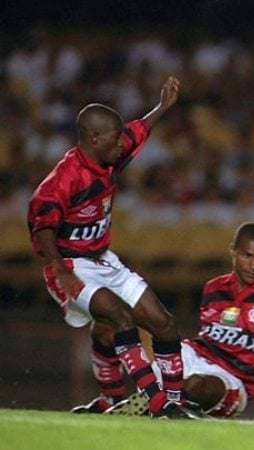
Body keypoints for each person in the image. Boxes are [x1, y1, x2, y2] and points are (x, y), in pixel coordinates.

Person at [27, 76, 200, 419]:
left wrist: (162, 107)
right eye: (115, 136)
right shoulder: (65, 178)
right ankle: (157, 404)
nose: (123, 142)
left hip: (104, 260)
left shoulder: (111, 154)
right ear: (94, 138)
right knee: (120, 319)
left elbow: (139, 131)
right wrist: (60, 270)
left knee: (163, 323)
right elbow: (41, 223)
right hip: (71, 266)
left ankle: (170, 402)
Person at [107, 222, 254, 417]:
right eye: (247, 256)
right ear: (233, 251)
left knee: (196, 385)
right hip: (195, 354)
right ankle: (156, 403)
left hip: (234, 378)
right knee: (157, 342)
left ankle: (153, 402)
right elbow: (209, 336)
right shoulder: (214, 288)